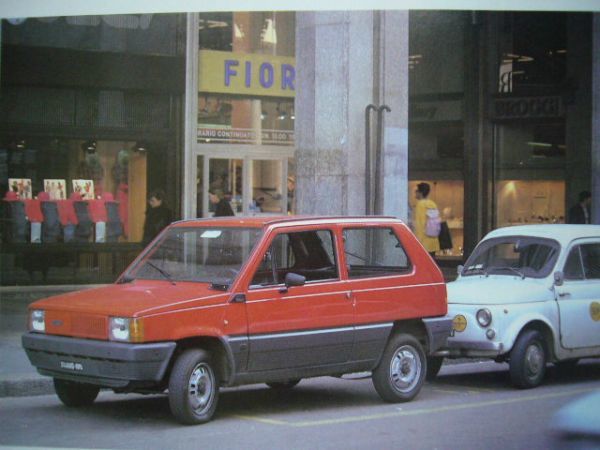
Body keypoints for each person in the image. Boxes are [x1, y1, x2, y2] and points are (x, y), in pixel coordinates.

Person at [413, 182, 440, 257]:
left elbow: (419, 225)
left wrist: (417, 243)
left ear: (420, 192)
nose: (415, 193)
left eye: (416, 191)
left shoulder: (420, 205)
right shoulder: (432, 204)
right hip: (433, 242)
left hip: (423, 243)